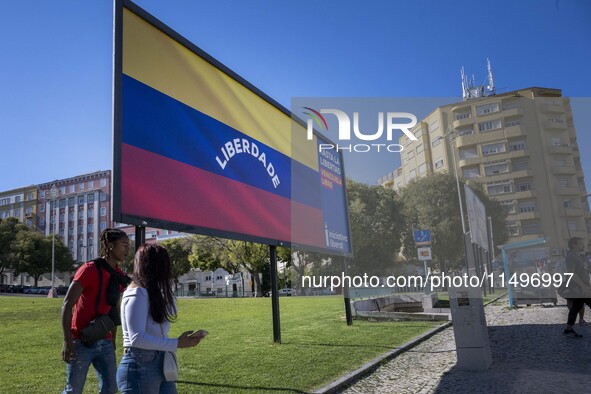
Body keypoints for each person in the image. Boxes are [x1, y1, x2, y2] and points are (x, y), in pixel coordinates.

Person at [117, 244, 206, 393]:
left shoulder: (151, 291)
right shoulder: (137, 293)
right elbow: (136, 338)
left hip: (160, 363)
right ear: (154, 266)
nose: (168, 268)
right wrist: (177, 343)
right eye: (165, 263)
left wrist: (165, 287)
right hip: (140, 366)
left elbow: (171, 311)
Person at [61, 228, 131, 394]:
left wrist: (113, 339)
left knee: (111, 388)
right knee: (74, 390)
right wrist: (67, 340)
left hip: (105, 341)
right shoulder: (89, 269)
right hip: (80, 341)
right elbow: (67, 304)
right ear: (111, 246)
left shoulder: (119, 274)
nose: (128, 249)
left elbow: (114, 308)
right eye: (124, 245)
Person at [563, 237, 591, 338]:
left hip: (584, 286)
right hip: (578, 287)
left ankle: (568, 329)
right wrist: (583, 286)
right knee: (576, 307)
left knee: (575, 307)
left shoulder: (581, 256)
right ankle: (568, 329)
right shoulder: (571, 256)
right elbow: (572, 273)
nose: (583, 245)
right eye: (580, 244)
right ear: (574, 245)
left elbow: (586, 270)